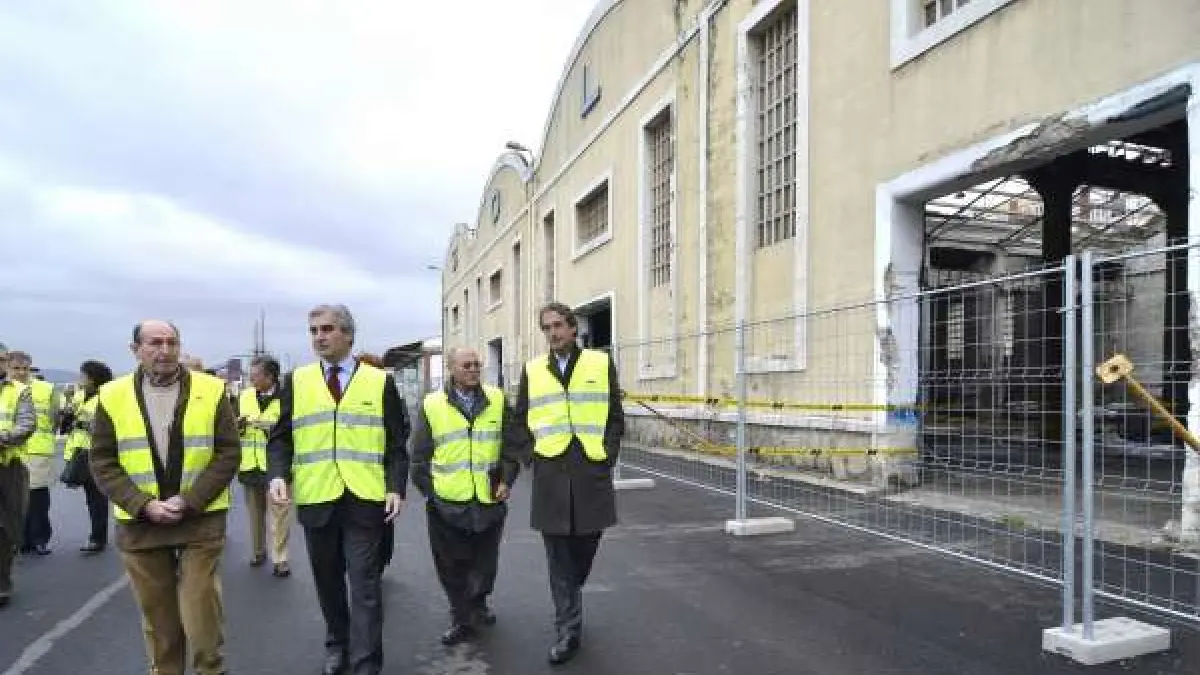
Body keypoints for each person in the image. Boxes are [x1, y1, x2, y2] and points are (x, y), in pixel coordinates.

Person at [89, 320, 241, 675]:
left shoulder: (211, 390)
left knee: (200, 613)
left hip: (199, 520)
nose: (165, 350)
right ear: (135, 350)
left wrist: (190, 500)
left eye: (172, 342)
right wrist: (142, 504)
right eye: (155, 342)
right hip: (140, 525)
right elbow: (102, 460)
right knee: (160, 622)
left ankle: (210, 667)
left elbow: (228, 452)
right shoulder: (112, 395)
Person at [267, 304, 410, 675]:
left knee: (365, 585)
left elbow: (396, 444)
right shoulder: (296, 381)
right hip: (317, 498)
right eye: (313, 330)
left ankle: (366, 663)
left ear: (348, 334)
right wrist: (278, 475)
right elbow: (280, 438)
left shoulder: (379, 382)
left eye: (327, 329)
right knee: (328, 582)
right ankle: (338, 643)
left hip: (365, 500)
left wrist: (396, 487)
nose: (319, 337)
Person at [512, 302, 625, 665]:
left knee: (585, 547)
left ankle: (570, 593)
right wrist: (531, 456)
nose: (553, 333)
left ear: (573, 328)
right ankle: (568, 629)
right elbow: (519, 419)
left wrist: (608, 454)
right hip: (550, 470)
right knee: (558, 555)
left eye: (558, 325)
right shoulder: (533, 370)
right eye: (546, 328)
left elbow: (615, 415)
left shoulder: (600, 363)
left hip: (591, 468)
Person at [410, 346, 520, 646]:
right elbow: (419, 457)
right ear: (451, 369)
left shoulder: (497, 399)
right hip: (447, 502)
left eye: (476, 365)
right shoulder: (432, 404)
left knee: (485, 563)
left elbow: (511, 446)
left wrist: (507, 479)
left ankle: (478, 603)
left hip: (488, 499)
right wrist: (432, 495)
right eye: (466, 365)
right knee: (451, 565)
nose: (473, 370)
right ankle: (461, 618)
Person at [237, 355, 291, 577]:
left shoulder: (287, 397)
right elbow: (236, 425)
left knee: (279, 513)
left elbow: (288, 429)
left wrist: (262, 424)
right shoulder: (245, 396)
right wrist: (239, 426)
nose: (251, 380)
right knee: (255, 514)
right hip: (250, 464)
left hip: (277, 467)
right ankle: (258, 551)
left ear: (270, 377)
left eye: (255, 376)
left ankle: (280, 559)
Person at [7, 351, 59, 556]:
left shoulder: (46, 389)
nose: (21, 372)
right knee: (12, 499)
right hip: (10, 451)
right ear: (8, 368)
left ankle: (39, 539)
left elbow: (54, 418)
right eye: (16, 368)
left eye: (25, 369)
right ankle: (18, 540)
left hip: (38, 449)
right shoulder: (4, 389)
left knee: (37, 498)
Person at [63, 360, 115, 553]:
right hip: (79, 451)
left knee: (97, 497)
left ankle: (98, 538)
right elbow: (66, 422)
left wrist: (82, 424)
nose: (79, 379)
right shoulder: (79, 395)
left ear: (93, 378)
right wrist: (68, 405)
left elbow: (105, 426)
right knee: (90, 497)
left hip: (97, 452)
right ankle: (97, 536)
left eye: (83, 375)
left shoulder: (106, 397)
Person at [0, 342, 36, 608]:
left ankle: (2, 584)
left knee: (5, 528)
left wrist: (2, 438)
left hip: (7, 468)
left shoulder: (19, 391)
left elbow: (26, 425)